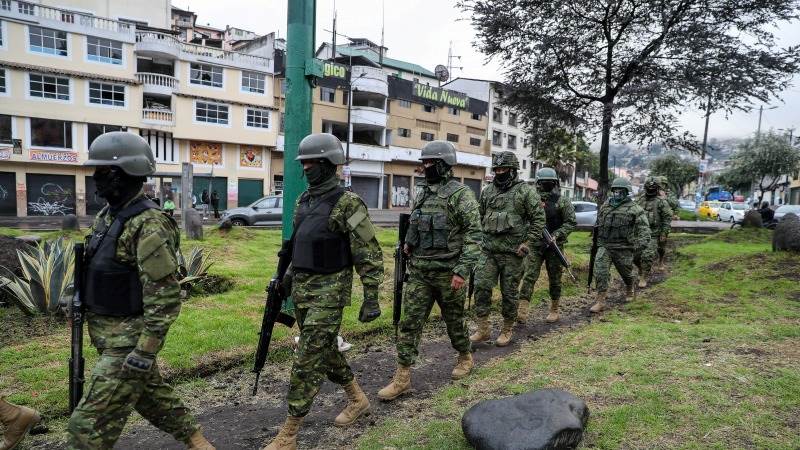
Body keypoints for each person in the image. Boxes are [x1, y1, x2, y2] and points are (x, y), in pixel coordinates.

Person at [67, 132, 213, 450]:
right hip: (106, 335)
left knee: (84, 430)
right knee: (151, 398)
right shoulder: (108, 217)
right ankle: (199, 442)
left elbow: (164, 296)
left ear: (121, 175)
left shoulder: (149, 224)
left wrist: (145, 351)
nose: (95, 179)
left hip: (128, 343)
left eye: (101, 172)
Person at [263, 133, 383, 450]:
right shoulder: (304, 200)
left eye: (310, 163)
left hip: (330, 292)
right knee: (326, 350)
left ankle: (289, 433)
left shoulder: (350, 204)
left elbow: (369, 252)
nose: (305, 169)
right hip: (303, 290)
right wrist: (284, 278)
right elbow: (300, 244)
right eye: (303, 164)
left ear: (329, 164)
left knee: (307, 359)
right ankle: (358, 400)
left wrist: (372, 296)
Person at [378, 140, 481, 401]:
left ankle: (465, 356)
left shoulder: (461, 195)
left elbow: (474, 236)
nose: (425, 167)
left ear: (445, 165)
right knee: (409, 323)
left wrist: (462, 270)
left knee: (454, 321)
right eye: (423, 163)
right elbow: (416, 221)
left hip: (449, 273)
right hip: (421, 271)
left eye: (430, 163)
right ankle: (402, 377)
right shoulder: (422, 192)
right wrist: (408, 244)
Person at [470, 152, 545, 346]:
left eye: (503, 169)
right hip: (488, 251)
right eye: (497, 169)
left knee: (509, 293)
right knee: (481, 287)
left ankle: (507, 328)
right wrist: (476, 239)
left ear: (512, 171)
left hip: (513, 254)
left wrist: (527, 243)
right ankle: (483, 328)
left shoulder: (525, 192)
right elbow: (480, 216)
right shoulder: (487, 191)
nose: (500, 173)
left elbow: (538, 220)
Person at [517, 167, 576, 324]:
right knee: (529, 276)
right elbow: (523, 220)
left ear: (555, 183)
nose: (545, 186)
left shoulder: (562, 201)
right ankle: (522, 310)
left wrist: (557, 235)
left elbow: (571, 222)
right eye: (543, 183)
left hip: (554, 245)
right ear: (538, 183)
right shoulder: (531, 200)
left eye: (549, 183)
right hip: (535, 245)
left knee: (555, 278)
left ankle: (554, 309)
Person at [589, 177, 650, 313]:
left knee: (626, 274)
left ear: (627, 191)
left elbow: (645, 231)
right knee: (600, 272)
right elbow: (599, 224)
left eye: (621, 191)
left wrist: (637, 248)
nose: (617, 193)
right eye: (615, 190)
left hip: (623, 248)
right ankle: (600, 301)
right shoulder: (606, 206)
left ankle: (630, 287)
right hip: (605, 246)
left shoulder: (635, 209)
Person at [634, 178, 672, 288]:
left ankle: (644, 276)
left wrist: (664, 233)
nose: (650, 190)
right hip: (639, 233)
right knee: (634, 256)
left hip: (653, 234)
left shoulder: (661, 202)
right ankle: (641, 269)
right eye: (648, 188)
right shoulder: (639, 200)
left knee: (647, 255)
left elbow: (667, 218)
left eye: (653, 188)